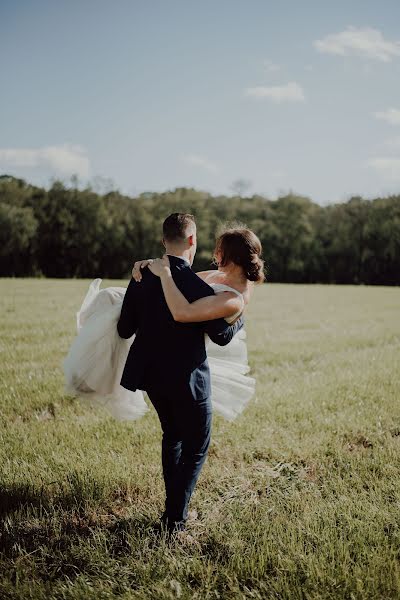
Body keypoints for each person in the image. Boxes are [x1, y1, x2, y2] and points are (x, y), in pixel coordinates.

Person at [63, 213, 256, 535]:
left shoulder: (144, 275)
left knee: (173, 437)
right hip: (186, 377)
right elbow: (218, 333)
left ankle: (172, 511)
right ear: (192, 240)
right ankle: (175, 520)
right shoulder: (198, 287)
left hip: (149, 374)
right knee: (196, 446)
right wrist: (240, 317)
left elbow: (125, 329)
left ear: (164, 238)